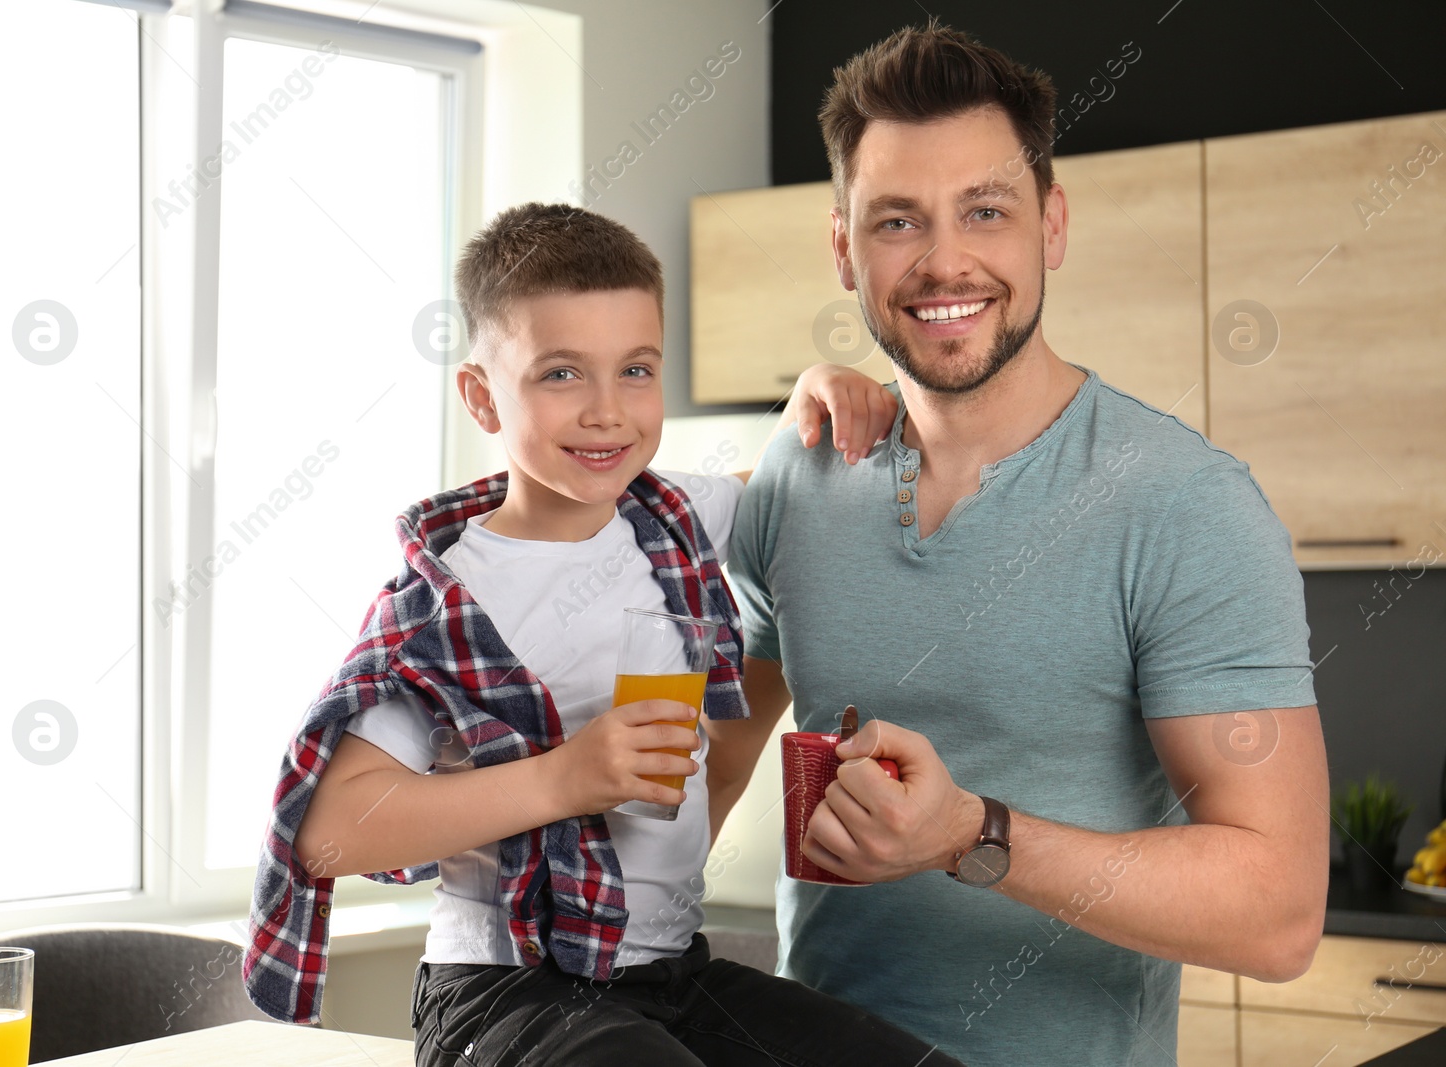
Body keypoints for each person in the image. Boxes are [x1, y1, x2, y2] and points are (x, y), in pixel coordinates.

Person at [706, 22, 1330, 1067]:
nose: (943, 259)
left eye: (984, 211)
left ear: (1050, 225)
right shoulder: (799, 476)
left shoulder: (1185, 506)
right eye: (896, 219)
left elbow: (1277, 913)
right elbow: (691, 780)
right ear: (843, 247)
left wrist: (969, 834)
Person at [242, 202, 960, 1066]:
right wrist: (566, 776)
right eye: (560, 375)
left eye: (637, 370)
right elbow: (331, 830)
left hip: (670, 974)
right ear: (480, 395)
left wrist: (815, 386)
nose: (607, 412)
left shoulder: (677, 518)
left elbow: (786, 485)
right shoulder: (448, 597)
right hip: (502, 988)